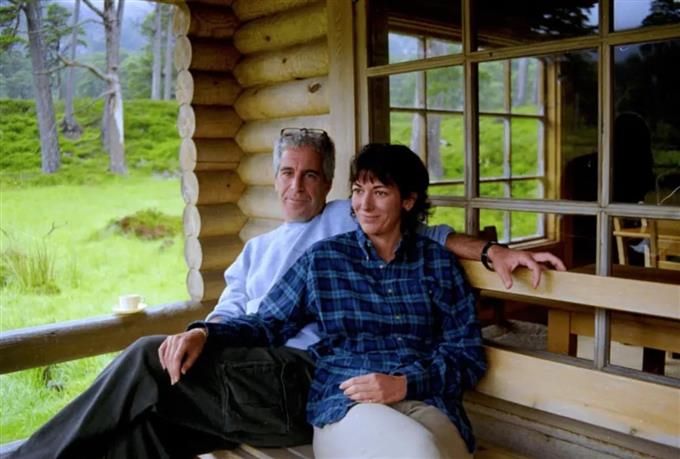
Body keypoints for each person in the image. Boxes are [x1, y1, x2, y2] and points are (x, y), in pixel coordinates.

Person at [7, 129, 564, 459]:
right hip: (291, 378)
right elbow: (256, 318)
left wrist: (492, 252)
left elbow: (435, 243)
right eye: (287, 173)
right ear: (274, 177)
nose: (298, 185)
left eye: (311, 175)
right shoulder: (279, 253)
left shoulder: (352, 223)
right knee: (155, 414)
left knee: (146, 366)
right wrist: (204, 332)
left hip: (309, 376)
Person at [187, 143, 485, 458]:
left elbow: (467, 356)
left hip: (427, 399)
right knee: (422, 452)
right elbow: (266, 323)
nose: (364, 205)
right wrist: (206, 332)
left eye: (380, 193)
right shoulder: (324, 260)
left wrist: (406, 384)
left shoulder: (438, 264)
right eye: (358, 191)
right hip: (349, 402)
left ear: (408, 201)